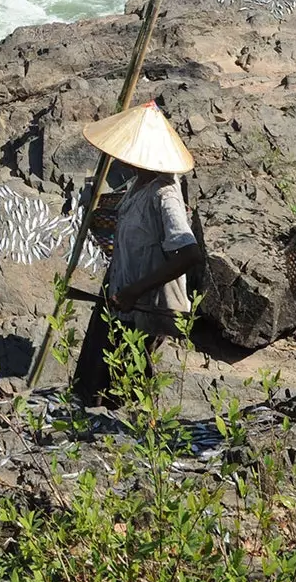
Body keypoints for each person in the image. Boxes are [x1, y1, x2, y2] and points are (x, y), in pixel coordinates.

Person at [71, 100, 204, 405]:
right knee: (97, 380)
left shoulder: (165, 194)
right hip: (120, 296)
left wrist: (135, 290)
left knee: (128, 387)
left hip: (145, 306)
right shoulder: (137, 184)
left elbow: (189, 254)